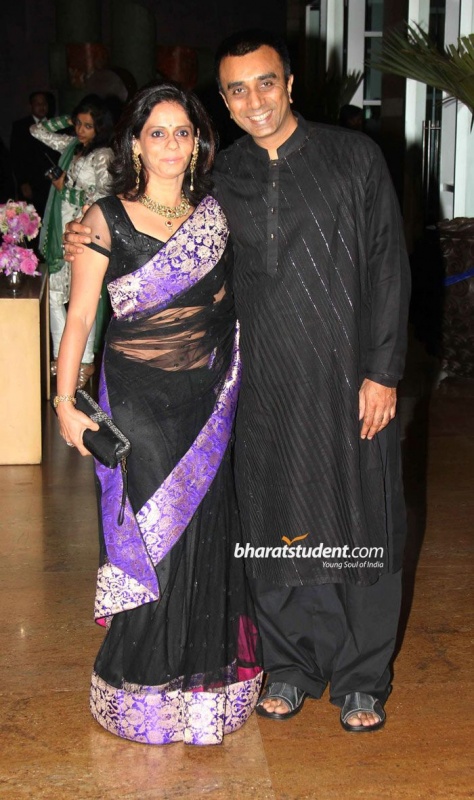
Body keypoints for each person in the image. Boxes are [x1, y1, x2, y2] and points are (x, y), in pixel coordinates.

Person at [64, 30, 411, 734]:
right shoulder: (220, 181)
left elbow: (387, 265)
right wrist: (85, 232)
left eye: (266, 82)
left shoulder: (355, 158)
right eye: (237, 89)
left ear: (290, 84)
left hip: (349, 378)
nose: (254, 100)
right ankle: (290, 665)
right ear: (223, 102)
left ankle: (362, 677)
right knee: (272, 522)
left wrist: (383, 370)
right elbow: (149, 227)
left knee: (362, 520)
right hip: (261, 384)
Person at [54, 81, 263, 746]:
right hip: (137, 403)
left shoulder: (218, 214)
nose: (171, 144)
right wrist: (64, 401)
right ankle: (141, 681)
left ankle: (201, 687)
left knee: (204, 536)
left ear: (198, 142)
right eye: (157, 132)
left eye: (182, 132)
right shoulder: (104, 218)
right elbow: (80, 318)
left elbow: (237, 300)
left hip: (208, 402)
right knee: (153, 540)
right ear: (136, 145)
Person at [31, 95, 114, 387]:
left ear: (100, 127)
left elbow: (104, 196)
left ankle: (86, 361)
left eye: (88, 125)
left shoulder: (103, 155)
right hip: (59, 231)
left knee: (85, 298)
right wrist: (67, 118)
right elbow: (37, 130)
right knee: (54, 295)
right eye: (78, 123)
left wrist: (64, 188)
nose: (80, 130)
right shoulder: (71, 147)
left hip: (85, 234)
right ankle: (61, 356)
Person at [10, 90, 59, 218]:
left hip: (53, 182)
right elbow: (16, 157)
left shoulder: (57, 125)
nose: (42, 107)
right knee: (33, 219)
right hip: (31, 183)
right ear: (31, 106)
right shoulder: (21, 126)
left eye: (44, 103)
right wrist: (22, 182)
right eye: (38, 104)